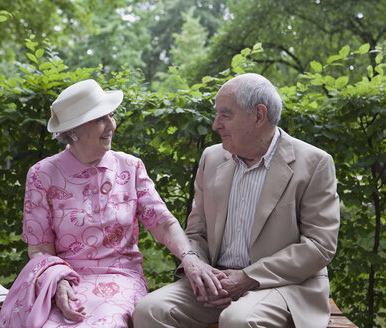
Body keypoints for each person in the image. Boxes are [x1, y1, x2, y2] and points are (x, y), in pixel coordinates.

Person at [0, 80, 217, 328]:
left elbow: (164, 224)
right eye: (100, 119)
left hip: (121, 278)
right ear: (73, 131)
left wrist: (189, 258)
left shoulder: (130, 167)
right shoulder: (42, 175)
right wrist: (59, 283)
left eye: (111, 116)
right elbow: (39, 250)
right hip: (65, 280)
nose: (112, 125)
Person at [133, 73, 340, 328]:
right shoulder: (212, 158)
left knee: (238, 320)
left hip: (283, 285)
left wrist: (248, 277)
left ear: (259, 116)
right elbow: (197, 232)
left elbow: (320, 246)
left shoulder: (314, 163)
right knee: (149, 311)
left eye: (225, 115)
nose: (215, 125)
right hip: (218, 280)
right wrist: (199, 268)